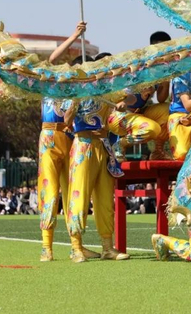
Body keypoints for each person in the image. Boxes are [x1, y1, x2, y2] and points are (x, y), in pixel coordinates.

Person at [37, 22, 99, 261]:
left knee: (73, 193)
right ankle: (47, 247)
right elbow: (52, 58)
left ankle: (76, 247)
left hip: (71, 139)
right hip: (49, 139)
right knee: (50, 191)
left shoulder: (78, 91)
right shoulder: (50, 83)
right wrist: (74, 35)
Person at [65, 80, 129, 263]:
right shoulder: (75, 91)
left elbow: (128, 98)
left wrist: (121, 105)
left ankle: (107, 247)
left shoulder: (108, 91)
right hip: (83, 146)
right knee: (79, 195)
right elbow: (66, 121)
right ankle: (76, 247)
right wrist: (75, 101)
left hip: (104, 146)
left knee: (105, 198)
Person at [108, 31, 172, 161]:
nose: (164, 53)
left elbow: (161, 99)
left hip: (139, 114)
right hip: (120, 116)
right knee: (152, 129)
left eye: (167, 49)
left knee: (169, 111)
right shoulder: (139, 67)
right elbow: (124, 96)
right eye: (160, 49)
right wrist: (134, 98)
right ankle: (121, 144)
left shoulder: (161, 70)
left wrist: (166, 81)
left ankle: (158, 150)